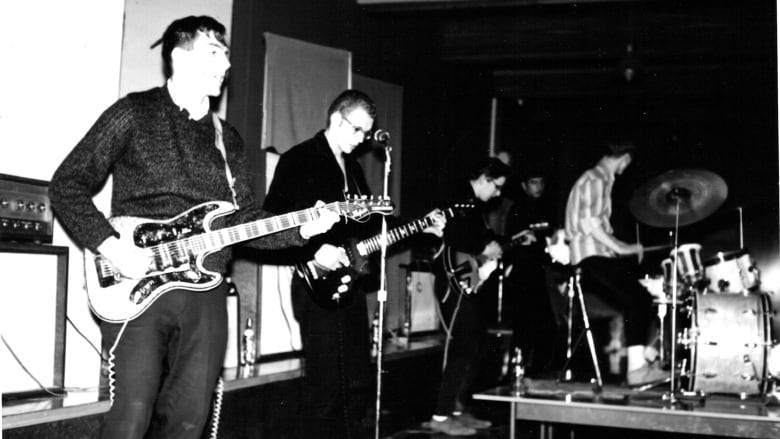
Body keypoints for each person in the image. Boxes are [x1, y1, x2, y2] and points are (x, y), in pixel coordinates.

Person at [49, 16, 338, 439]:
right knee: (130, 414)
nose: (226, 64)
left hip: (205, 290)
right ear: (178, 58)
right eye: (214, 53)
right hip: (135, 284)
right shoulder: (133, 113)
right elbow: (66, 184)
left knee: (190, 420)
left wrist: (305, 229)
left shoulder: (229, 139)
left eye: (227, 55)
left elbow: (245, 222)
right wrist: (110, 246)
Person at [263, 89, 445, 438]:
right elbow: (273, 219)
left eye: (366, 133)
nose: (362, 141)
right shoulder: (299, 159)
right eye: (356, 130)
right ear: (335, 118)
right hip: (315, 283)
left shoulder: (354, 169)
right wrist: (311, 251)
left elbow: (375, 226)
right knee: (326, 384)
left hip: (349, 285)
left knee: (357, 381)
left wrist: (423, 227)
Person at [564, 140, 664, 386]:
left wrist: (623, 248)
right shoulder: (597, 179)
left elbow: (596, 227)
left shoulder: (598, 180)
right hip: (590, 259)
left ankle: (644, 360)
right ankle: (638, 368)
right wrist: (621, 247)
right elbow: (589, 223)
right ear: (625, 158)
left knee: (640, 297)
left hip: (594, 257)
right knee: (639, 298)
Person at [426, 157, 510, 436]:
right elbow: (453, 234)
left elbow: (478, 236)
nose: (497, 194)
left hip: (465, 280)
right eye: (496, 187)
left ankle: (457, 408)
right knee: (462, 347)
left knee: (477, 343)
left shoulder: (473, 206)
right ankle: (440, 416)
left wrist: (494, 242)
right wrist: (485, 245)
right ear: (484, 178)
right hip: (453, 281)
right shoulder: (458, 198)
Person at [503, 165, 563, 376]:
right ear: (524, 185)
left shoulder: (546, 208)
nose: (539, 187)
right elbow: (514, 242)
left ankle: (537, 371)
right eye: (533, 183)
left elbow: (552, 238)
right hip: (523, 275)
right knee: (525, 326)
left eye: (541, 182)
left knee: (548, 326)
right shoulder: (518, 209)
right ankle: (516, 372)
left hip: (542, 272)